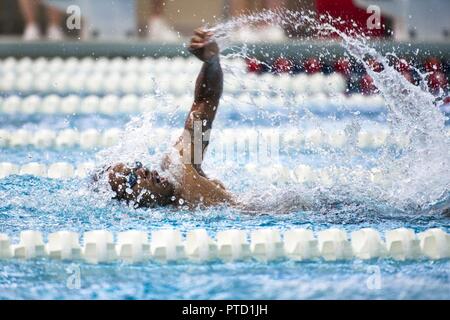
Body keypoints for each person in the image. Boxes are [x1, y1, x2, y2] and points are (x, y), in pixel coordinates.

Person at [105, 29, 236, 209]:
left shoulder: (180, 166)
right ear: (129, 200)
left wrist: (211, 61)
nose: (142, 171)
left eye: (136, 167)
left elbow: (204, 102)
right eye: (132, 178)